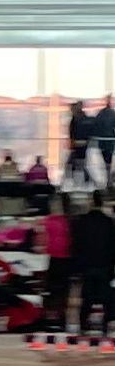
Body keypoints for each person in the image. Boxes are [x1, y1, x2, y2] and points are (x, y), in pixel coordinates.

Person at [73, 191, 115, 337]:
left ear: (91, 202)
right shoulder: (108, 222)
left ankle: (83, 325)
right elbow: (112, 245)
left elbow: (77, 245)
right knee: (106, 298)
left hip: (87, 266)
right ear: (102, 202)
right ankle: (107, 325)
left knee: (87, 297)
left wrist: (77, 267)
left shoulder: (82, 221)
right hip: (104, 266)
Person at [42, 197, 75, 332]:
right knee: (52, 290)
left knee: (62, 292)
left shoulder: (69, 221)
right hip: (54, 258)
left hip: (65, 259)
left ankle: (61, 319)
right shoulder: (48, 221)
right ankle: (50, 318)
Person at [66, 101, 94, 190]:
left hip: (78, 145)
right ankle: (85, 182)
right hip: (82, 145)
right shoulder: (84, 119)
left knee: (73, 164)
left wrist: (73, 144)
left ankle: (77, 182)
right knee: (79, 164)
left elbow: (73, 133)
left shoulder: (76, 120)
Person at [97, 97, 115, 187]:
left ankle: (108, 177)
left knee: (105, 160)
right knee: (109, 159)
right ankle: (109, 178)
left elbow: (97, 126)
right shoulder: (112, 114)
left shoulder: (101, 114)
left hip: (103, 141)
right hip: (110, 141)